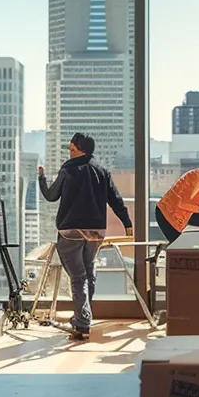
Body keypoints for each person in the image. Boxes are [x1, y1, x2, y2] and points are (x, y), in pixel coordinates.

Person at [37, 132, 133, 342]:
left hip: (71, 230)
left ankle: (82, 323)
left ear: (77, 149)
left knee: (78, 277)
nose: (70, 153)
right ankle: (83, 317)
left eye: (72, 149)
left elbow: (51, 196)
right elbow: (115, 200)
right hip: (96, 231)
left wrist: (42, 178)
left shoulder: (69, 169)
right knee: (89, 272)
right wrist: (127, 223)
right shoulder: (102, 171)